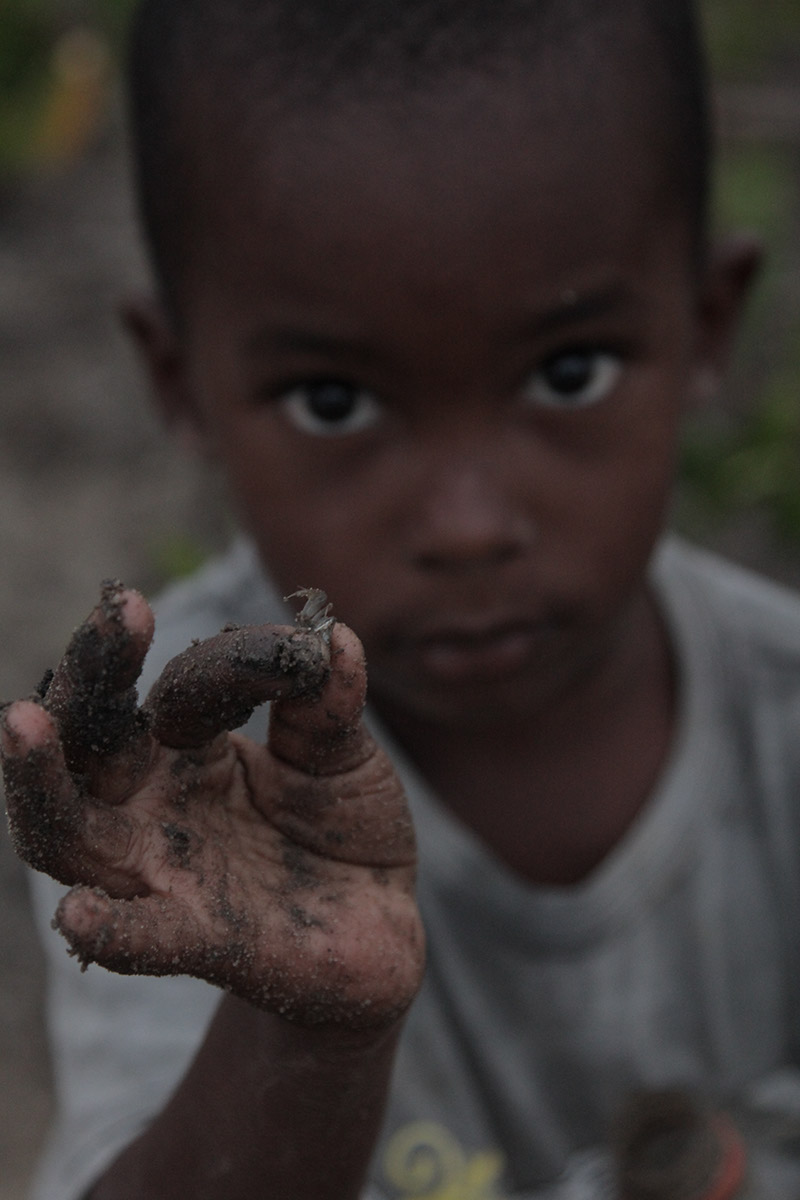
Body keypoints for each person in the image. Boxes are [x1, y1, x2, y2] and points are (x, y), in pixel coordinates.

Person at [4, 0, 800, 1195]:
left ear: (705, 327)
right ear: (182, 383)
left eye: (566, 373)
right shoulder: (174, 779)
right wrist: (303, 1034)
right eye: (335, 401)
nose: (469, 524)